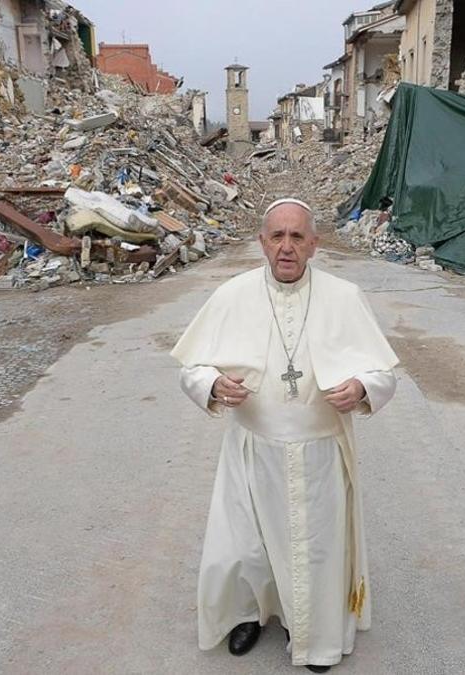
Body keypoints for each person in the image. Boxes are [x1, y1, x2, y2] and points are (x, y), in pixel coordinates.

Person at [171, 198, 398, 672]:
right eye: (277, 236)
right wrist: (211, 384)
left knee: (315, 549)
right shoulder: (232, 295)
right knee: (245, 544)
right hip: (253, 448)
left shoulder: (344, 296)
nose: (287, 247)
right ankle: (249, 614)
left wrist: (361, 386)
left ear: (315, 245)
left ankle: (313, 635)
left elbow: (385, 375)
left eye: (297, 237)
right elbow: (191, 367)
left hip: (320, 453)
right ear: (262, 242)